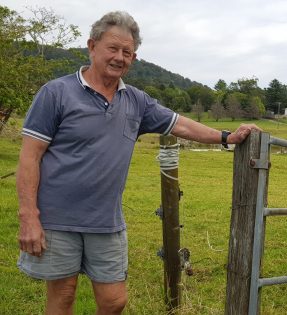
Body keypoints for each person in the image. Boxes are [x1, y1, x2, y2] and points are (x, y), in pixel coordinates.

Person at [16, 11, 260, 314]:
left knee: (114, 301)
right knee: (63, 295)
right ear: (92, 46)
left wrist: (225, 136)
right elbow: (30, 156)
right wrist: (29, 216)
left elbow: (179, 124)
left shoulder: (136, 101)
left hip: (106, 221)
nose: (120, 57)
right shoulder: (56, 93)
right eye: (113, 48)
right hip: (56, 219)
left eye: (128, 52)